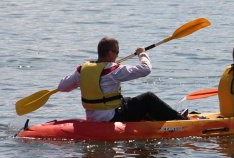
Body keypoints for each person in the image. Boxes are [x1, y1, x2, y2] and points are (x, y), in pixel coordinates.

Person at [58, 36, 187, 122]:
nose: (117, 55)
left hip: (92, 116)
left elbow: (62, 87)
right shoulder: (113, 70)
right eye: (117, 52)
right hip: (111, 117)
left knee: (128, 100)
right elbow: (145, 69)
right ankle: (180, 121)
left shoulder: (82, 70)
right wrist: (142, 53)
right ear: (110, 53)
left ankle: (150, 117)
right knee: (148, 98)